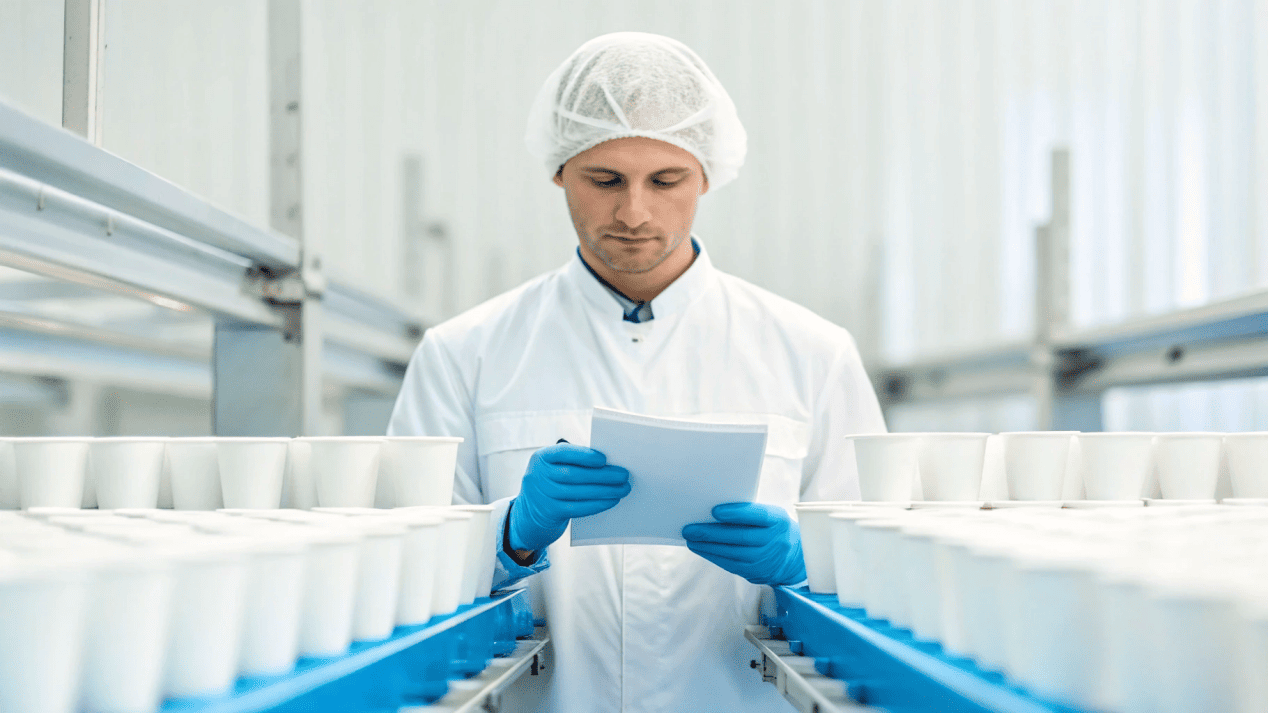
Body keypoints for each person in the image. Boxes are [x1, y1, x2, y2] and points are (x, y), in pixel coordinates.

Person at [388, 31, 886, 712]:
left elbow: (882, 582)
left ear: (706, 175)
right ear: (559, 171)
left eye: (666, 180)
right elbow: (399, 577)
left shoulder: (813, 354)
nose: (633, 212)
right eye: (605, 180)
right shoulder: (463, 354)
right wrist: (510, 535)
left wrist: (808, 566)